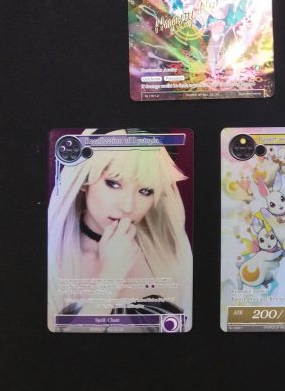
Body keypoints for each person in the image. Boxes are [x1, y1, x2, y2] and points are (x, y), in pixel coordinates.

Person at [47, 130, 192, 332]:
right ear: (84, 180)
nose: (127, 206)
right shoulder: (55, 259)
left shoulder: (167, 254)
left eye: (145, 191)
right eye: (113, 183)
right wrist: (112, 275)